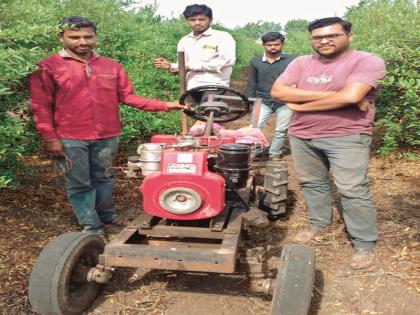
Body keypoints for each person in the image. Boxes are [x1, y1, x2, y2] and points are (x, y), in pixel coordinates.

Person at [29, 16, 187, 235]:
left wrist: (166, 105)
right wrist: (50, 138)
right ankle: (91, 226)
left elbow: (128, 96)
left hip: (106, 135)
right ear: (61, 37)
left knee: (103, 177)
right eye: (75, 37)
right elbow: (41, 106)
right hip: (69, 138)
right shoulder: (47, 67)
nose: (82, 41)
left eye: (88, 36)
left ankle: (107, 215)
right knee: (79, 183)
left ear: (95, 37)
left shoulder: (110, 66)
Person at [271, 17, 386, 269]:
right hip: (302, 134)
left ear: (348, 36)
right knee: (311, 183)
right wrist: (339, 96)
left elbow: (353, 95)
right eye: (317, 37)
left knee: (352, 189)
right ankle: (319, 224)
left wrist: (298, 102)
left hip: (347, 135)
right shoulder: (302, 62)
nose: (323, 41)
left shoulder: (366, 61)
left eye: (331, 35)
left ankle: (363, 243)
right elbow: (278, 92)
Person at [153, 4, 236, 90]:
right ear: (187, 21)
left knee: (208, 103)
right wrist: (170, 66)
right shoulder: (184, 41)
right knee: (185, 103)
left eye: (201, 19)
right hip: (191, 87)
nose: (197, 23)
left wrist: (190, 67)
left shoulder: (223, 37)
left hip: (215, 86)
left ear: (210, 20)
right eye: (192, 20)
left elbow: (224, 62)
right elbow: (183, 65)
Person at [246, 32, 295, 160]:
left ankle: (274, 153)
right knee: (254, 127)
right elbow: (252, 82)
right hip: (263, 100)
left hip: (285, 101)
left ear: (282, 44)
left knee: (281, 129)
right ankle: (254, 151)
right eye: (269, 45)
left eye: (276, 44)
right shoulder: (256, 61)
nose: (273, 47)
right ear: (263, 45)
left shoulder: (292, 60)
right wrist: (250, 102)